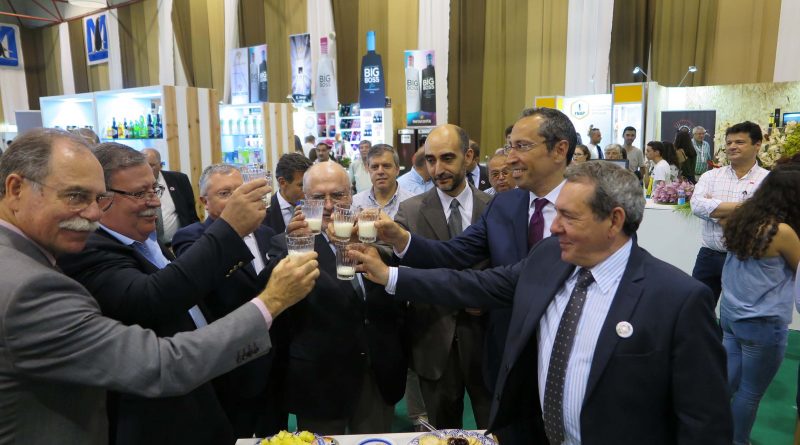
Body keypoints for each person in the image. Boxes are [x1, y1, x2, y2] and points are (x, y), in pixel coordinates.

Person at [353, 161, 732, 445]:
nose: (554, 226)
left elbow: (704, 424)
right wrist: (390, 276)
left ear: (614, 220)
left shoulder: (677, 301)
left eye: (568, 216)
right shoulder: (548, 257)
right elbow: (472, 283)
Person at [0, 128, 317, 445]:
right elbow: (158, 359)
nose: (95, 212)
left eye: (98, 198)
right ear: (16, 189)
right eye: (76, 197)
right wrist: (271, 301)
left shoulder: (133, 243)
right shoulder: (30, 287)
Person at [369, 107, 576, 443]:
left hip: (568, 354)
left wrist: (392, 277)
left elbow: (491, 282)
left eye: (522, 146)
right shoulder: (505, 205)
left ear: (559, 150)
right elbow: (452, 254)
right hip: (508, 356)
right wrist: (400, 238)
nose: (510, 158)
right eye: (509, 147)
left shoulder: (587, 209)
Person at [59, 143, 287, 445]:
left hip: (202, 399)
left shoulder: (146, 241)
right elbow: (151, 298)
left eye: (154, 190)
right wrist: (230, 228)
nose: (154, 202)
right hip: (158, 419)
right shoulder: (88, 250)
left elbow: (189, 294)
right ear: (102, 198)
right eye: (139, 194)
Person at [269, 162, 407, 435]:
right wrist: (293, 251)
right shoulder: (287, 244)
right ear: (305, 200)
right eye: (318, 197)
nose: (329, 205)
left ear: (351, 195)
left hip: (377, 372)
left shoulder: (373, 233)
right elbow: (271, 296)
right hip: (322, 380)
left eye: (338, 195)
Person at [171, 164, 285, 438]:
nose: (236, 200)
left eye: (240, 191)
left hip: (274, 357)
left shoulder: (266, 234)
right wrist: (233, 231)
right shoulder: (191, 237)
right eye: (225, 194)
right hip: (231, 362)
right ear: (204, 202)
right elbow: (207, 282)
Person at [394, 124, 492, 429]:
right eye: (430, 160)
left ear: (469, 157)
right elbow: (393, 259)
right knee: (442, 434)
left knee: (496, 431)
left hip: (488, 342)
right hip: (433, 343)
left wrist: (488, 300)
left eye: (447, 158)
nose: (438, 169)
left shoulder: (496, 208)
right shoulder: (409, 211)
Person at [720, 167, 800, 445]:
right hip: (762, 324)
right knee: (750, 393)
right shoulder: (782, 232)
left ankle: (712, 433)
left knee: (727, 382)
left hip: (731, 314)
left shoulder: (739, 218)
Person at [691, 121, 769, 301]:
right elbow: (696, 205)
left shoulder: (768, 180)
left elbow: (765, 217)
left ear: (757, 145)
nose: (732, 146)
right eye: (729, 143)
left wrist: (715, 209)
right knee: (696, 308)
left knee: (738, 311)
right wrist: (747, 206)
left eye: (739, 142)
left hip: (746, 258)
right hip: (708, 256)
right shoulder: (711, 175)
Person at [142, 148, 200, 245]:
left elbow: (191, 214)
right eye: (144, 165)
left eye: (151, 165)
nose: (147, 169)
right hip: (149, 246)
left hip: (180, 243)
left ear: (160, 165)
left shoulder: (179, 180)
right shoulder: (134, 185)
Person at [351, 144, 413, 218]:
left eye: (386, 166)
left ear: (397, 170)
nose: (380, 171)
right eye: (375, 167)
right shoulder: (355, 203)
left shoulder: (412, 202)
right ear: (368, 170)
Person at [266, 153, 312, 233]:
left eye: (310, 185)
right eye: (302, 185)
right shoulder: (265, 214)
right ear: (282, 182)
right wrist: (287, 235)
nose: (308, 191)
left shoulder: (316, 207)